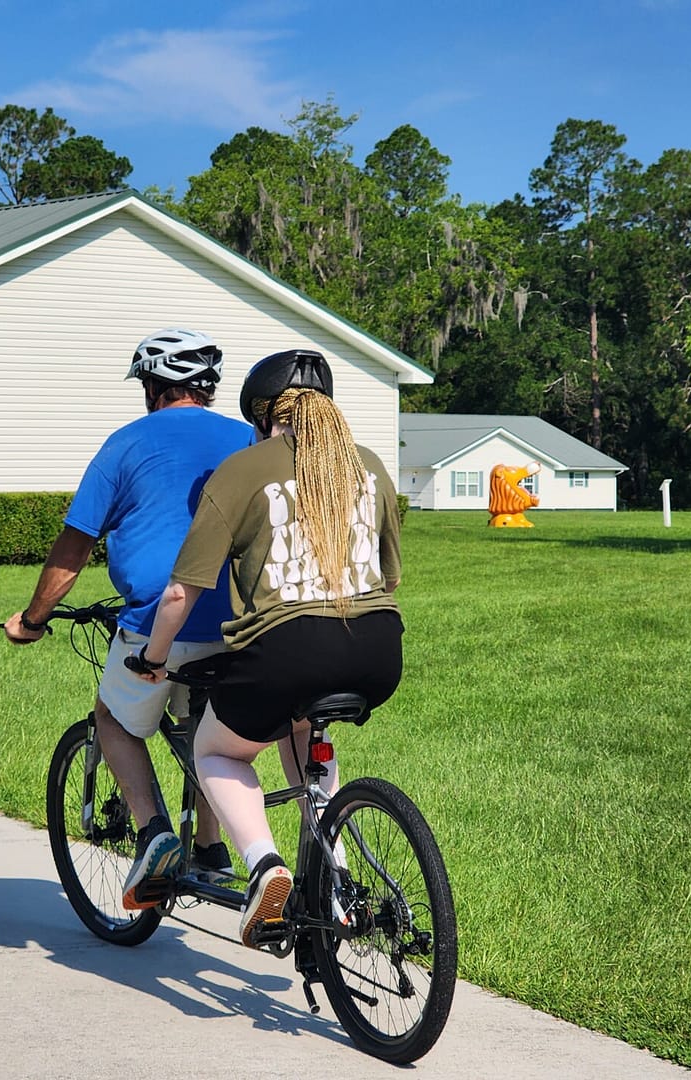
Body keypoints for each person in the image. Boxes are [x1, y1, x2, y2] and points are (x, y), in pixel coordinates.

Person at [130, 349, 404, 948]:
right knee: (305, 732)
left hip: (286, 650)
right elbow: (389, 577)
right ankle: (335, 877)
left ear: (260, 414)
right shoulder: (371, 467)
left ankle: (264, 868)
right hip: (380, 646)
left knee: (217, 753)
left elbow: (181, 590)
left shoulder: (245, 468)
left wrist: (153, 659)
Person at [2, 328, 254, 909]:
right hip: (240, 624)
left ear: (152, 386)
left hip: (157, 621)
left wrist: (33, 620)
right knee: (209, 736)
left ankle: (154, 833)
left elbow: (74, 545)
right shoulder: (247, 439)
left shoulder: (125, 445)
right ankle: (212, 850)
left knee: (112, 717)